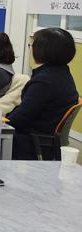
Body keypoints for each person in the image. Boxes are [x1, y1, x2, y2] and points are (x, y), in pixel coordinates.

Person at [7, 28, 79, 160]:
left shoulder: (44, 81)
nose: (31, 49)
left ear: (43, 50)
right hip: (43, 139)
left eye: (32, 45)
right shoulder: (63, 73)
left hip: (29, 142)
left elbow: (20, 119)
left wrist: (1, 120)